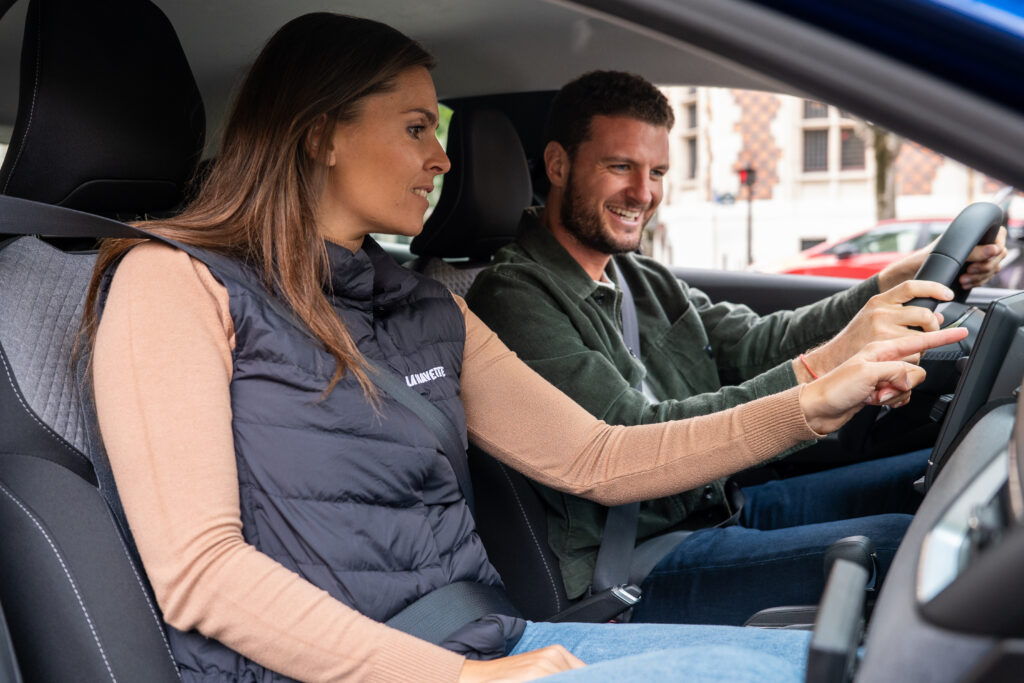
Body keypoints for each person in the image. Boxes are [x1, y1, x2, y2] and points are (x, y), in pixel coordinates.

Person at [86, 15, 967, 683]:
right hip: (377, 668)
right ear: (320, 133)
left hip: (489, 637)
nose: (441, 160)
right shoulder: (174, 282)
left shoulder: (424, 305)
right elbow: (201, 573)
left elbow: (598, 456)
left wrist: (809, 401)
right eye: (417, 128)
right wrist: (464, 679)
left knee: (825, 660)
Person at [465, 70, 1006, 626]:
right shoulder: (513, 296)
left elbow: (754, 343)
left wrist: (883, 285)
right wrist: (824, 368)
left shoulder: (640, 279)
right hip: (631, 559)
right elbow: (630, 439)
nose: (643, 193)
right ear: (558, 165)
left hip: (714, 505)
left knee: (923, 478)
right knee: (906, 549)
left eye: (657, 172)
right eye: (620, 166)